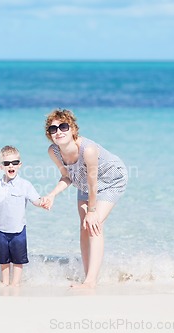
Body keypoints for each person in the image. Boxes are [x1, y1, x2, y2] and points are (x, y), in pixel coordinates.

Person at [41, 108, 128, 288]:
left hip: (111, 179)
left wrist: (92, 210)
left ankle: (90, 282)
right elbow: (68, 177)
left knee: (94, 224)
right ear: (49, 134)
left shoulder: (88, 150)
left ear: (73, 129)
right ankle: (88, 275)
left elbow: (93, 182)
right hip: (84, 181)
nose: (58, 132)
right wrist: (52, 195)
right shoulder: (54, 151)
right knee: (83, 226)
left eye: (63, 127)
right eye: (53, 129)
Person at [0, 145, 42, 287]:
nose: (11, 166)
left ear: (19, 165)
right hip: (1, 230)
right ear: (1, 166)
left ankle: (15, 283)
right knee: (3, 259)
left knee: (18, 259)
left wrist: (44, 203)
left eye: (14, 163)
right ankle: (4, 282)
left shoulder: (25, 185)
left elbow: (36, 200)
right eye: (6, 163)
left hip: (18, 230)